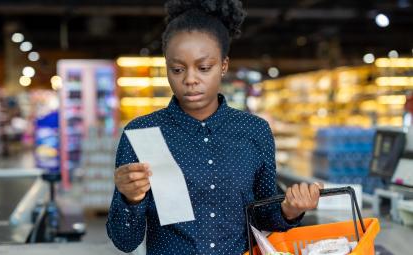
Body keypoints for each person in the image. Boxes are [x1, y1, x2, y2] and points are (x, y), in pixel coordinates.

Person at [107, 1, 323, 254]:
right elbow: (125, 241)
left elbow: (264, 216)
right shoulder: (142, 134)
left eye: (204, 68)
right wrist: (129, 199)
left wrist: (291, 209)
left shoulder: (254, 131)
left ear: (223, 66)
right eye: (177, 69)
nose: (190, 79)